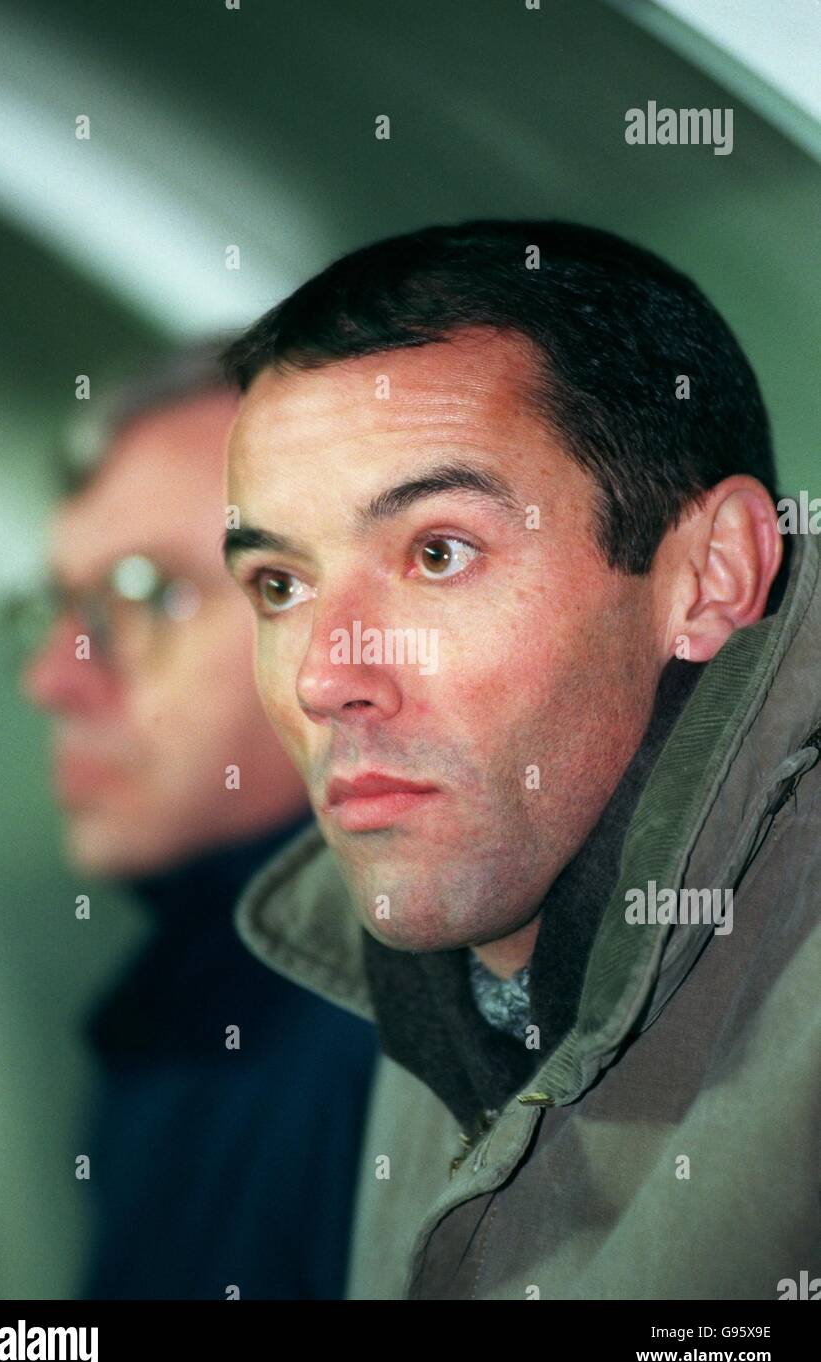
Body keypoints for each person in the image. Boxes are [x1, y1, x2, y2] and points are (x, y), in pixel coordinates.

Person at [219, 220, 821, 1300]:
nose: (324, 676)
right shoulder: (446, 955)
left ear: (710, 574)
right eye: (279, 583)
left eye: (436, 553)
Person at [16, 345, 377, 1299]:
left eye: (146, 598)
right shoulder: (179, 1011)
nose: (53, 678)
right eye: (60, 608)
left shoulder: (408, 1047)